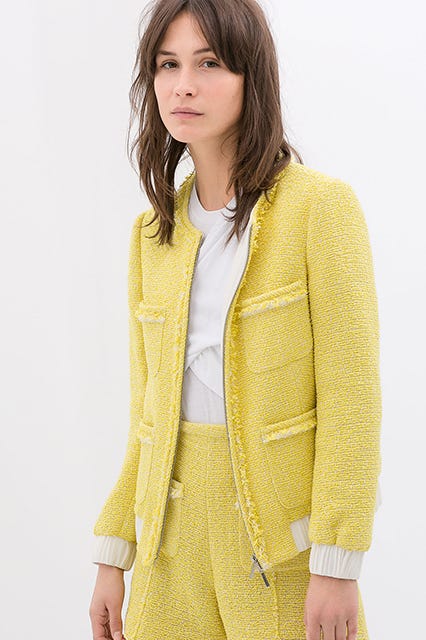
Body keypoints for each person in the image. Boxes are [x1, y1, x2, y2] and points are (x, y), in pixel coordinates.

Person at [89, 1, 382, 639]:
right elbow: (147, 414)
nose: (183, 85)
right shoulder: (152, 234)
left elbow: (352, 401)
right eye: (168, 65)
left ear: (253, 78)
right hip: (169, 547)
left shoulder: (319, 209)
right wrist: (114, 550)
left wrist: (338, 563)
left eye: (209, 63)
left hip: (281, 551)